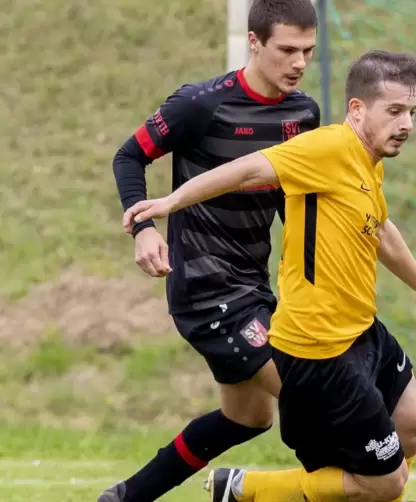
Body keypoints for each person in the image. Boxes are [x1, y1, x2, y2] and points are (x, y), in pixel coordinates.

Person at [122, 49, 416, 502]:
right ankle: (246, 489)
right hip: (321, 353)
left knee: (412, 429)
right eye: (395, 111)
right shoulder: (325, 148)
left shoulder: (368, 161)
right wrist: (170, 204)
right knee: (385, 484)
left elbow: (380, 229)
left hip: (362, 332)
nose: (407, 124)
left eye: (412, 112)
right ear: (358, 110)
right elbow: (246, 170)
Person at [97, 1, 323, 500]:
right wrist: (144, 228)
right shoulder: (200, 104)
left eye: (308, 50)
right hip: (203, 286)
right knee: (313, 401)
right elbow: (129, 156)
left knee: (249, 417)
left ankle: (124, 497)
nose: (299, 62)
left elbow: (294, 202)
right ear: (255, 42)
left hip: (253, 283)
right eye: (287, 49)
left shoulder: (304, 113)